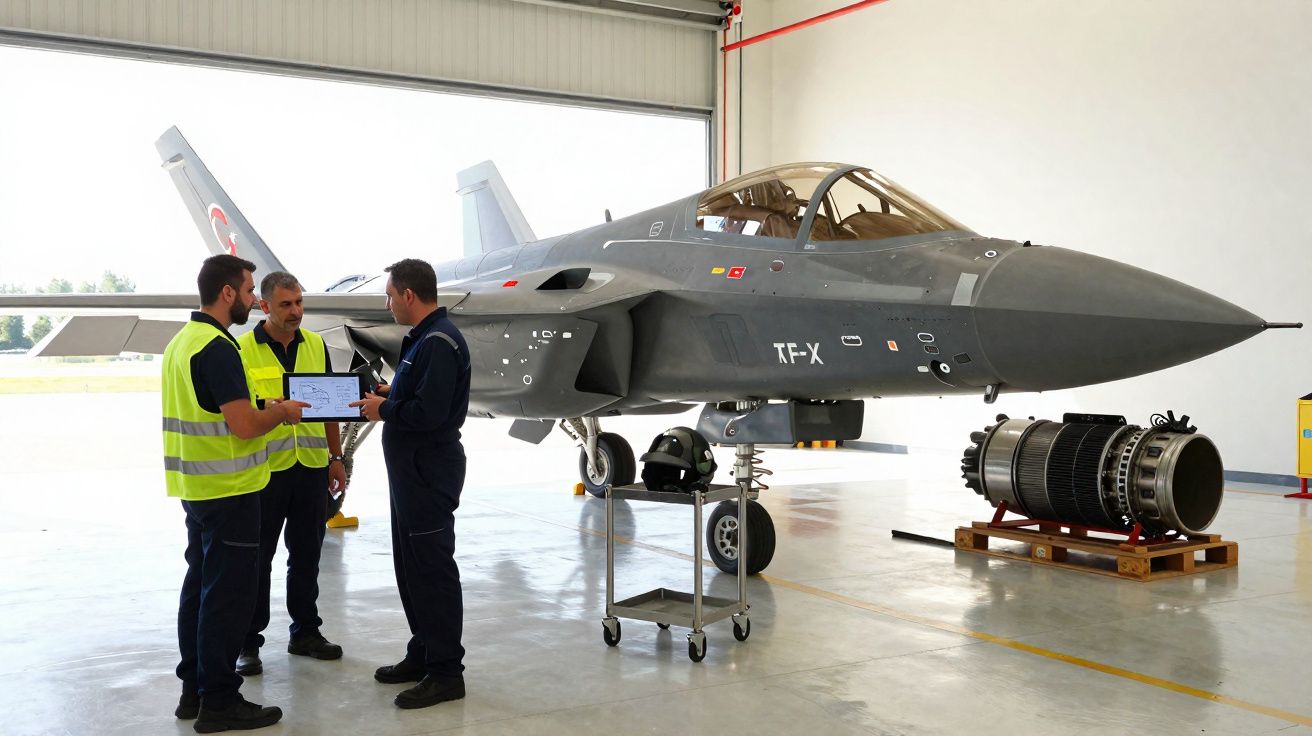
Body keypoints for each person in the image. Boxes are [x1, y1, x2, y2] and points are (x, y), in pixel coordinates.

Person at [163, 254, 308, 732]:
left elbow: (217, 410)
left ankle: (194, 690)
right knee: (226, 598)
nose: (253, 300)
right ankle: (220, 701)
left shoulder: (182, 343)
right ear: (228, 293)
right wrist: (282, 412)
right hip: (231, 491)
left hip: (196, 489)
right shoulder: (220, 348)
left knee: (199, 591)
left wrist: (262, 405)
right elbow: (244, 426)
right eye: (249, 291)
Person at [350, 258, 471, 709]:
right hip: (411, 475)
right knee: (411, 567)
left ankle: (445, 672)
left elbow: (431, 413)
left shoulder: (438, 342)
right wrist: (390, 394)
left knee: (432, 571)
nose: (387, 303)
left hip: (427, 473)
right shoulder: (423, 340)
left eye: (388, 295)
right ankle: (424, 650)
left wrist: (386, 411)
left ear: (408, 295)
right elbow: (418, 398)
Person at [234, 271, 348, 677]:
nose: (297, 311)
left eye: (299, 302)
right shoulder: (243, 349)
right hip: (266, 473)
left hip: (312, 469)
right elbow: (241, 412)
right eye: (286, 304)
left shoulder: (316, 345)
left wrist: (337, 458)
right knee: (257, 561)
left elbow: (332, 405)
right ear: (264, 306)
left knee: (307, 556)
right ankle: (247, 642)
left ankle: (305, 633)